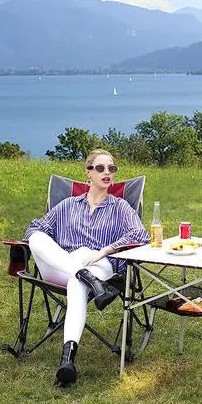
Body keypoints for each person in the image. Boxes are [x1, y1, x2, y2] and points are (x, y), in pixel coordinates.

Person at [24, 149, 150, 386]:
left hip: (101, 265)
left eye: (111, 168)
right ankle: (88, 278)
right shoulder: (67, 205)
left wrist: (104, 251)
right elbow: (34, 229)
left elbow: (141, 235)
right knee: (36, 238)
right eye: (100, 168)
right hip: (63, 266)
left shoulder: (121, 207)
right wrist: (74, 263)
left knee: (77, 284)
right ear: (88, 172)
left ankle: (67, 360)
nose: (107, 173)